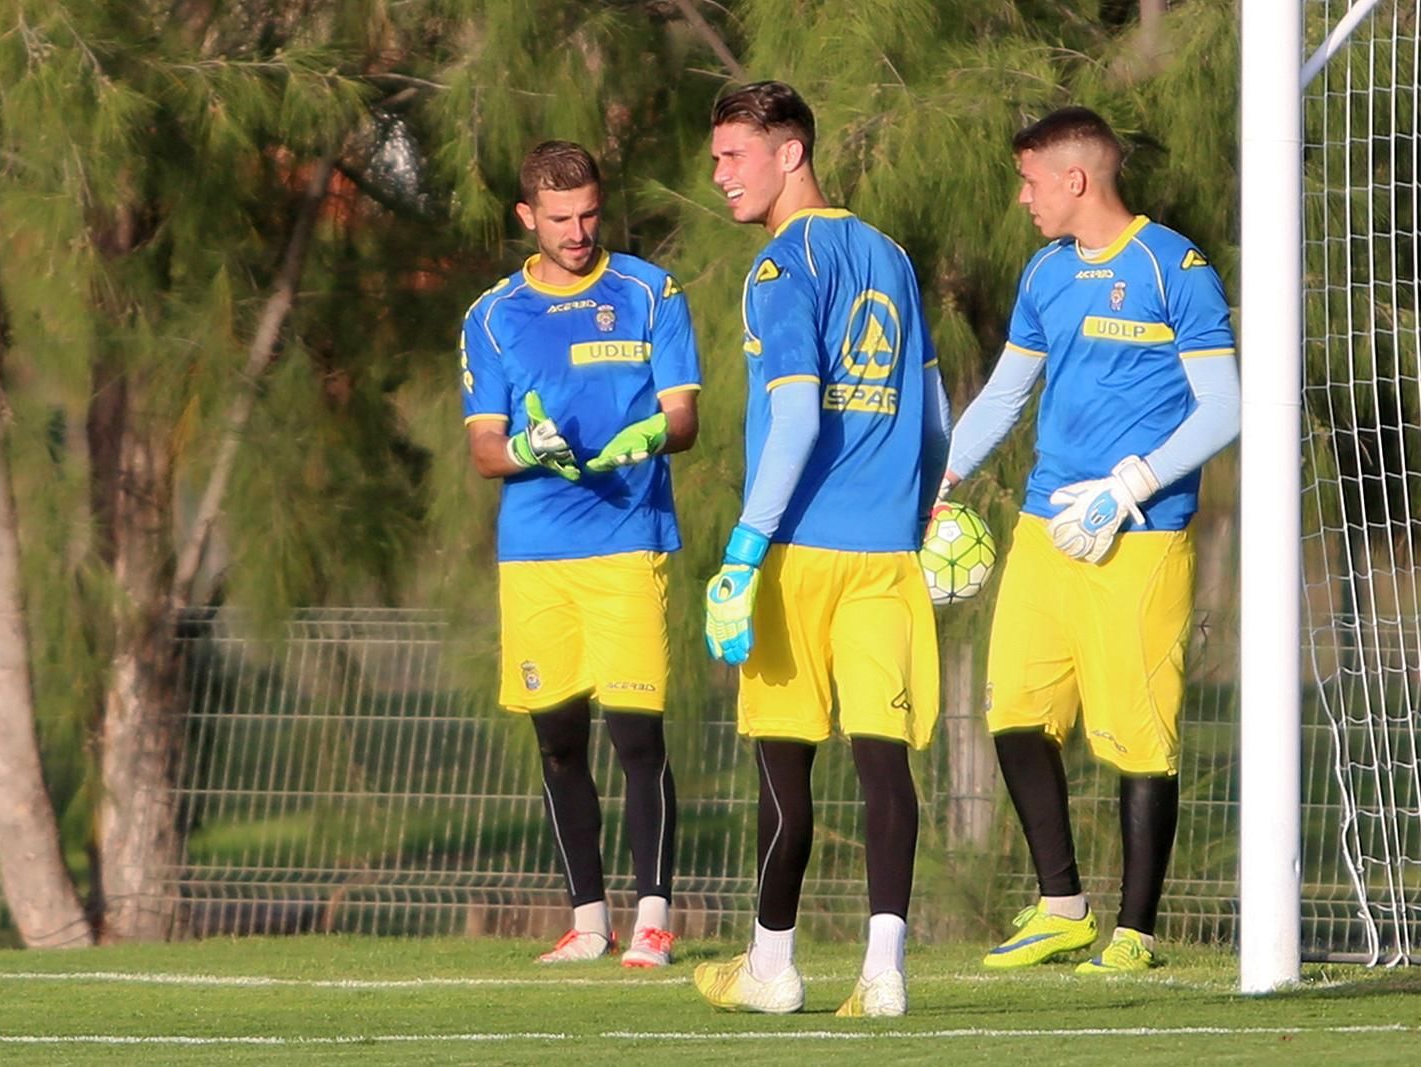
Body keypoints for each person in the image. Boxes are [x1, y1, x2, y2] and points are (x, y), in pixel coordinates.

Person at [943, 106, 1240, 974]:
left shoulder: (1174, 268)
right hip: (1044, 528)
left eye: (1031, 180)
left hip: (1142, 538)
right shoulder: (1044, 274)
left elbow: (1224, 405)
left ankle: (1135, 931)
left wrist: (1129, 487)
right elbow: (1003, 398)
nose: (1024, 196)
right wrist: (938, 478)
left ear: (1076, 179)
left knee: (1138, 737)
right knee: (1014, 713)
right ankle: (1060, 907)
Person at [693, 82, 950, 1017]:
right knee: (885, 763)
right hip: (887, 553)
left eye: (734, 155)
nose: (719, 173)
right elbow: (934, 415)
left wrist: (742, 551)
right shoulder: (890, 256)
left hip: (799, 550)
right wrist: (927, 510)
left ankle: (772, 965)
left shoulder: (778, 268)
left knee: (784, 763)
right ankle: (884, 973)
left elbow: (795, 419)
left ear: (790, 152)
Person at [459, 140, 701, 968]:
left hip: (629, 542)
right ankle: (589, 920)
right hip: (535, 557)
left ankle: (655, 920)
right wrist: (530, 449)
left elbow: (683, 417)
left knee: (639, 737)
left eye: (590, 212)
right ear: (527, 216)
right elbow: (487, 450)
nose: (579, 230)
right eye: (561, 218)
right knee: (558, 739)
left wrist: (648, 436)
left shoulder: (648, 290)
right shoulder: (491, 314)